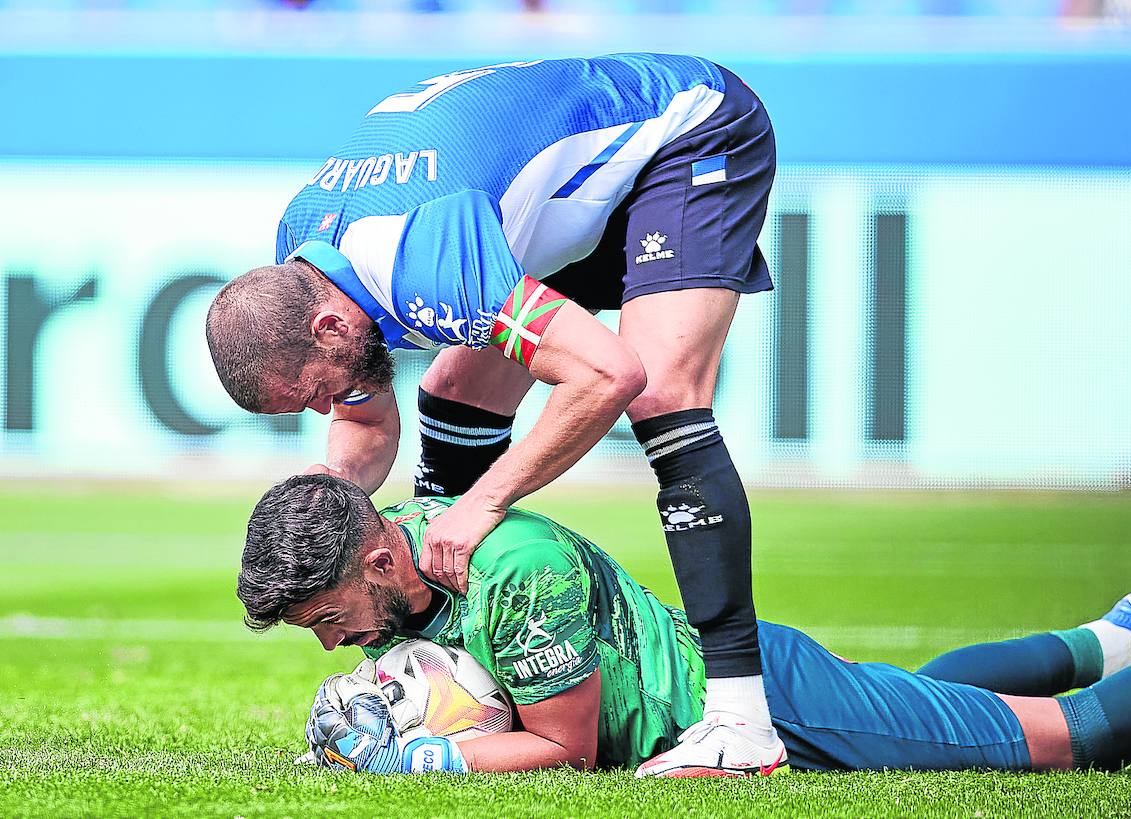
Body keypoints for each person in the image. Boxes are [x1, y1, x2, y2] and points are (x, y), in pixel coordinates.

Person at [205, 54, 779, 775]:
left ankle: (741, 719)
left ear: (327, 328)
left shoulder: (422, 257)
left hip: (687, 133)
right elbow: (364, 424)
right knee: (452, 396)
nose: (327, 406)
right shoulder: (308, 257)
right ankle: (477, 663)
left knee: (662, 391)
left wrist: (482, 502)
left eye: (314, 391)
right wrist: (324, 514)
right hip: (561, 203)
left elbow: (610, 374)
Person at [237, 475, 1131, 776]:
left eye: (330, 620)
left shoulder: (513, 571)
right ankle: (1113, 640)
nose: (336, 644)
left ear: (382, 555)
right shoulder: (397, 546)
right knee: (928, 698)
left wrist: (424, 751)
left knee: (1069, 740)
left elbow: (563, 751)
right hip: (746, 682)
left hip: (761, 710)